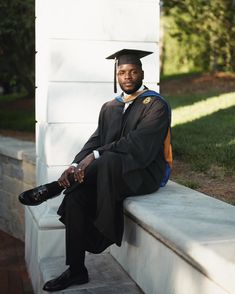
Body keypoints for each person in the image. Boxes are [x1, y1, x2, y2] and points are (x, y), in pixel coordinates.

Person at [19, 49, 173, 292]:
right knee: (77, 197)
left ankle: (55, 187)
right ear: (116, 75)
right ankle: (77, 270)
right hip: (109, 174)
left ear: (142, 73)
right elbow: (95, 140)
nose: (128, 76)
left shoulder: (155, 105)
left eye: (133, 71)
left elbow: (138, 144)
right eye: (122, 72)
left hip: (143, 173)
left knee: (108, 160)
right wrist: (74, 165)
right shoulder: (110, 106)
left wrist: (97, 155)